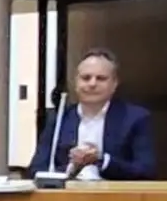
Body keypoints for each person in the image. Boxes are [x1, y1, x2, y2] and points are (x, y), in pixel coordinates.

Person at [28, 48, 156, 180]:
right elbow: (36, 169)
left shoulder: (135, 118)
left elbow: (146, 171)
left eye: (101, 78)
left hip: (113, 191)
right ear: (76, 83)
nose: (92, 83)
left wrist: (101, 160)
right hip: (70, 190)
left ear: (114, 84)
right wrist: (72, 167)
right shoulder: (59, 119)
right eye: (86, 78)